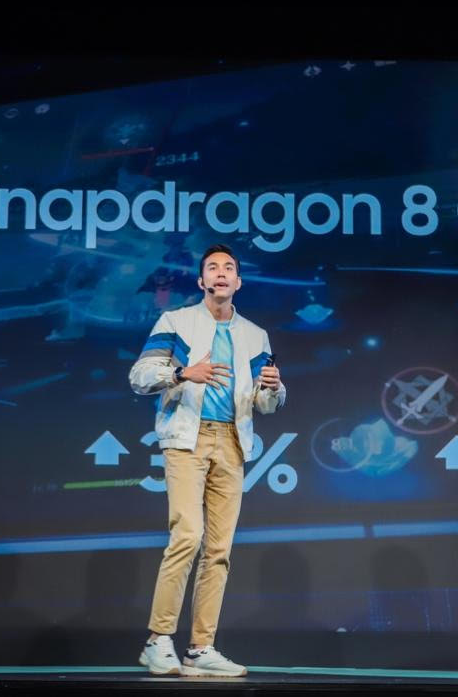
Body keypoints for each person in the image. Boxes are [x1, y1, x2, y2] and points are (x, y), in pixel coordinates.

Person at [128, 244, 286, 677]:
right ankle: (158, 640)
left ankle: (200, 648)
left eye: (228, 268)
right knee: (187, 535)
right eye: (212, 268)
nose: (220, 273)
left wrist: (273, 387)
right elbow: (139, 376)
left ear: (238, 282)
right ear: (201, 281)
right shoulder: (176, 322)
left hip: (232, 442)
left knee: (218, 550)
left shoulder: (255, 335)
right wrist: (183, 373)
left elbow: (265, 404)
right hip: (187, 439)